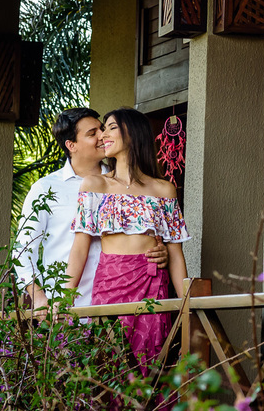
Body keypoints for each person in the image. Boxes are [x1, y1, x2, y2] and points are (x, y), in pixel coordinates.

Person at [66, 106, 189, 366]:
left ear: (132, 134)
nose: (102, 135)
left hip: (152, 287)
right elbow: (80, 248)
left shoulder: (164, 189)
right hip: (110, 287)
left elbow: (176, 254)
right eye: (100, 130)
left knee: (152, 362)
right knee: (112, 366)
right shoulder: (94, 185)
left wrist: (187, 307)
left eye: (110, 128)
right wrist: (62, 299)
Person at [14, 107, 168, 312]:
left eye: (102, 129)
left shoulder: (124, 184)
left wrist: (161, 251)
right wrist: (39, 297)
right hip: (67, 307)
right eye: (92, 133)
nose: (102, 136)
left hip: (118, 301)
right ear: (71, 145)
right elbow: (22, 250)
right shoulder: (46, 189)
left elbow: (147, 231)